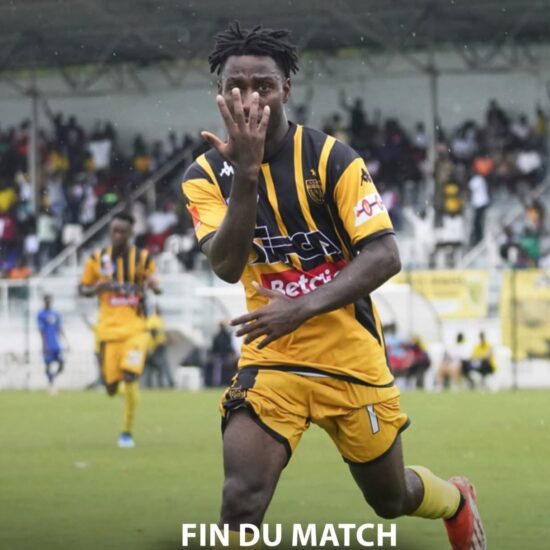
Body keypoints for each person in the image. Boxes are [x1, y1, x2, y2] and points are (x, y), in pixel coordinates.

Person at [181, 22, 485, 550]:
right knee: (240, 500)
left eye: (263, 86)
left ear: (286, 90)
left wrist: (299, 307)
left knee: (390, 499)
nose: (250, 99)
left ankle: (455, 500)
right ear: (220, 94)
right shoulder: (204, 176)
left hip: (350, 359)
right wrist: (247, 175)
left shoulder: (331, 159)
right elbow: (227, 266)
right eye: (236, 87)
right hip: (272, 360)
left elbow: (385, 254)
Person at [78, 212, 161, 448]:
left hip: (136, 330)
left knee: (130, 376)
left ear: (130, 233)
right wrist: (96, 288)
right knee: (111, 388)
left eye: (122, 232)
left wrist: (153, 285)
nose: (117, 236)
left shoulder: (143, 259)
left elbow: (157, 285)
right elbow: (82, 288)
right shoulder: (96, 259)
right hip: (107, 332)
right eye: (114, 231)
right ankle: (124, 392)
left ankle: (126, 432)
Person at [37, 294, 68, 392]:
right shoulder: (41, 314)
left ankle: (52, 378)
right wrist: (44, 345)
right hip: (47, 344)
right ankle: (50, 384)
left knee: (61, 364)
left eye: (50, 300)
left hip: (56, 344)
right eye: (46, 300)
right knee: (47, 365)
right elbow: (41, 330)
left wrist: (67, 341)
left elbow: (59, 328)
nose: (48, 302)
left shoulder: (56, 313)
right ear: (44, 301)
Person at [144, 305, 174, 388]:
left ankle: (159, 384)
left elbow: (162, 333)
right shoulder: (152, 320)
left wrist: (168, 340)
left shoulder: (160, 320)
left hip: (160, 346)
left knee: (158, 366)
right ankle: (152, 384)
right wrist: (151, 347)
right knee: (156, 366)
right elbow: (151, 332)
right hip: (154, 347)